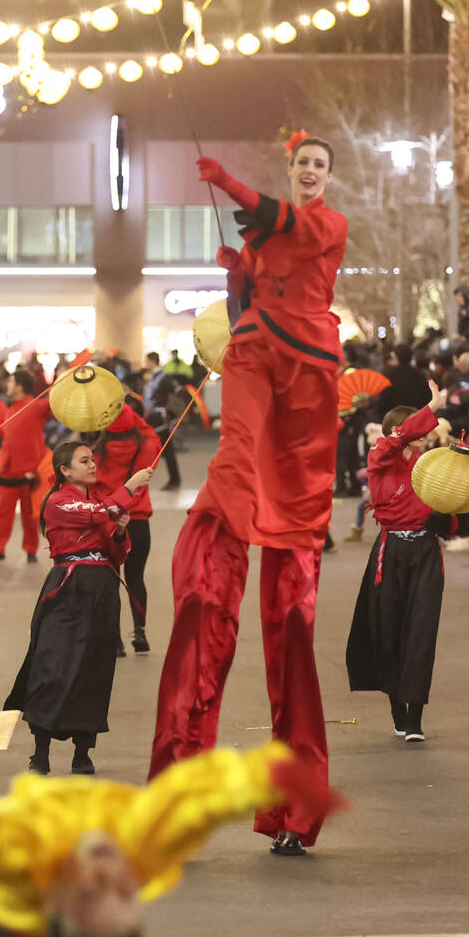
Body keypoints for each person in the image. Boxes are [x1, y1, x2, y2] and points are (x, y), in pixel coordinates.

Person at [150, 137, 347, 857]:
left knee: (291, 591)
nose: (310, 172)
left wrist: (228, 180)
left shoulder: (326, 224)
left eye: (319, 166)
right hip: (258, 351)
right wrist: (240, 277)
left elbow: (280, 219)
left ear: (326, 176)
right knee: (232, 484)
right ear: (295, 170)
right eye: (304, 164)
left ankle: (292, 806)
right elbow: (259, 258)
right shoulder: (269, 237)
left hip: (311, 373)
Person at [4, 442, 153, 776]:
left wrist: (120, 531)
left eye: (92, 459)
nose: (91, 464)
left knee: (94, 669)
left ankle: (82, 753)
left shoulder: (100, 504)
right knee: (52, 664)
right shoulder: (59, 502)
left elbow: (118, 554)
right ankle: (39, 752)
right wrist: (128, 488)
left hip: (101, 591)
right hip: (68, 589)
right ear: (64, 470)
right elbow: (96, 516)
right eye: (83, 461)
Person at [345, 383, 447, 744]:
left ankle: (415, 715)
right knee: (389, 631)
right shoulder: (380, 457)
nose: (421, 436)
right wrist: (430, 407)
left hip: (425, 552)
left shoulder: (428, 465)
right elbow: (397, 439)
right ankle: (397, 711)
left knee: (421, 632)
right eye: (413, 430)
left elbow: (450, 507)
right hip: (390, 552)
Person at [92, 400, 160, 654]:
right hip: (138, 520)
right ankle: (140, 632)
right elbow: (152, 432)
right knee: (136, 577)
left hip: (109, 521)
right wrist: (128, 410)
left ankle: (115, 640)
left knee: (111, 580)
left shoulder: (97, 452)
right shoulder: (147, 446)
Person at [0, 370, 51, 564]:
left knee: (30, 515)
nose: (8, 384)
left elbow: (54, 400)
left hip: (31, 472)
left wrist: (72, 376)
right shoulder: (10, 408)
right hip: (7, 471)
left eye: (10, 382)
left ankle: (31, 550)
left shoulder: (36, 406)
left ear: (19, 387)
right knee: (1, 512)